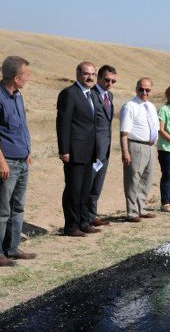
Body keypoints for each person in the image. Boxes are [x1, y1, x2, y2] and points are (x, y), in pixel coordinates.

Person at [0, 56, 37, 266]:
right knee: (1, 209)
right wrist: (1, 162)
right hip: (6, 163)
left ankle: (11, 249)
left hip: (22, 161)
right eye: (26, 75)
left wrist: (27, 151)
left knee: (17, 207)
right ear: (16, 77)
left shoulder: (17, 97)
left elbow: (21, 126)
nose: (28, 79)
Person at [57, 61, 102, 236]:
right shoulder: (69, 93)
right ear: (78, 74)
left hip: (89, 151)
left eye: (93, 74)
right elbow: (63, 124)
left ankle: (84, 222)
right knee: (73, 190)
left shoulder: (91, 95)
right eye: (86, 74)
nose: (90, 77)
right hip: (74, 151)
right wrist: (64, 150)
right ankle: (71, 226)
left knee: (85, 190)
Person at [120, 77, 159, 222]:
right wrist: (125, 151)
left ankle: (142, 208)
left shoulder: (151, 106)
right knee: (133, 179)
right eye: (141, 89)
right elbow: (124, 132)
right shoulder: (130, 106)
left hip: (150, 147)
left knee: (146, 180)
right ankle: (132, 212)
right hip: (135, 146)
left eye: (147, 89)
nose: (144, 92)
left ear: (151, 90)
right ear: (136, 89)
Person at [88, 64, 117, 227]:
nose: (109, 83)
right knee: (88, 184)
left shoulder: (110, 96)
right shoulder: (90, 95)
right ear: (99, 78)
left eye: (113, 81)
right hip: (92, 149)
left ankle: (92, 216)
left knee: (97, 185)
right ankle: (82, 217)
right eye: (106, 80)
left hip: (105, 149)